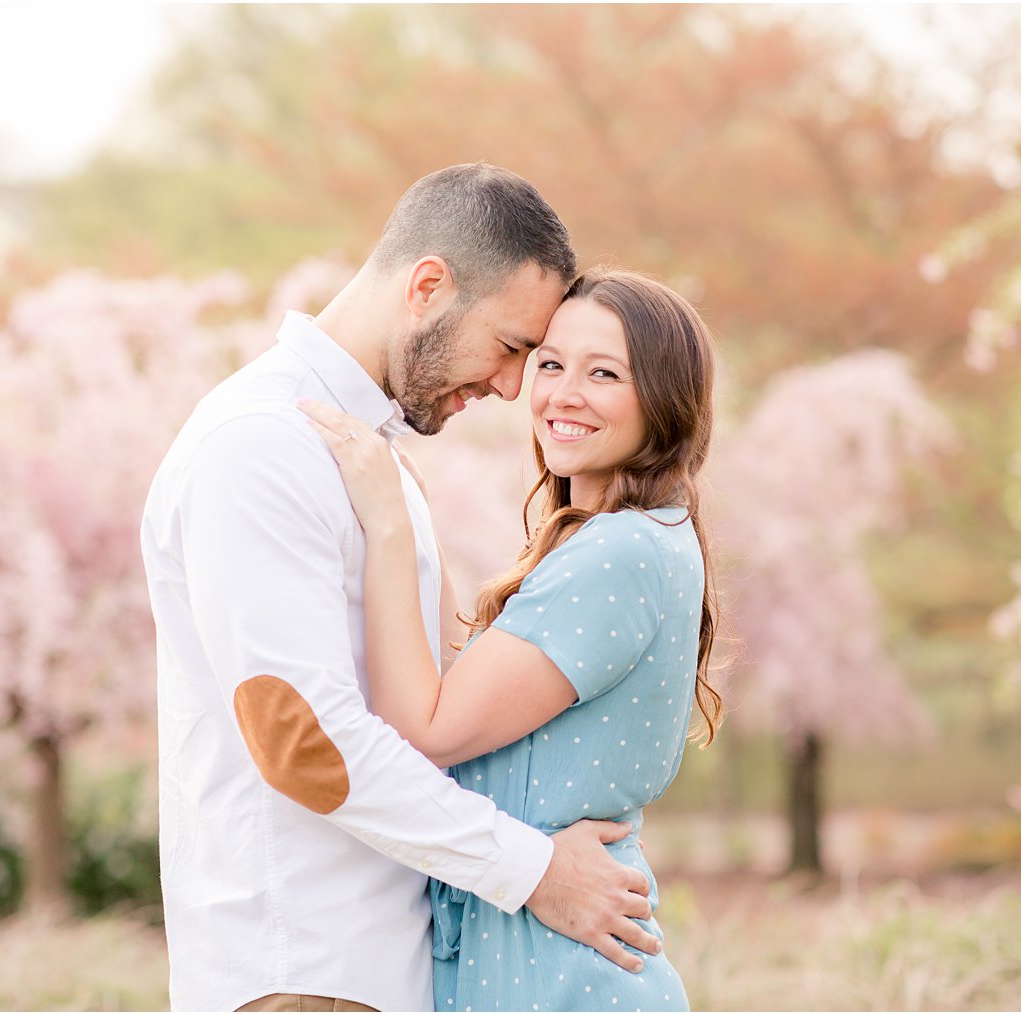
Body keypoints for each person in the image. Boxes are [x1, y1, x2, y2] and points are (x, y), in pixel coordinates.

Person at [140, 166, 662, 1013]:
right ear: (427, 286)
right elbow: (304, 741)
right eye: (513, 348)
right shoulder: (261, 447)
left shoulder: (364, 456)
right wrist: (533, 871)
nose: (510, 387)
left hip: (373, 972)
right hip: (304, 975)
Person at [301, 266, 723, 1012]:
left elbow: (425, 727)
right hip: (537, 964)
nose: (562, 392)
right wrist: (410, 509)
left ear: (663, 398)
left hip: (557, 977)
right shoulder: (641, 538)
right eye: (551, 363)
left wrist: (391, 528)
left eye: (605, 373)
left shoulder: (618, 554)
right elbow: (459, 686)